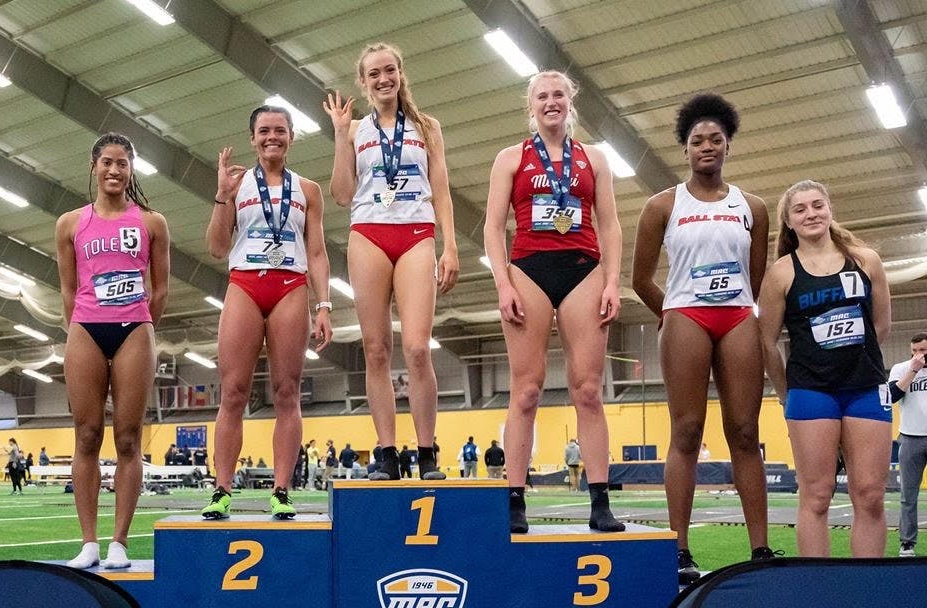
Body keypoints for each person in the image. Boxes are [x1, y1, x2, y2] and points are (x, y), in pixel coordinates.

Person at [632, 93, 772, 581]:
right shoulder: (661, 206)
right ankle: (679, 550)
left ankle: (760, 552)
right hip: (686, 316)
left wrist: (745, 316)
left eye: (716, 139)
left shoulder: (752, 206)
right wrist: (671, 314)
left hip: (736, 316)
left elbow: (757, 281)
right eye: (697, 140)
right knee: (686, 431)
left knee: (746, 432)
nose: (706, 146)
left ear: (728, 145)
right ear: (685, 149)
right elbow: (641, 278)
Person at [483, 70, 624, 535]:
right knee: (526, 391)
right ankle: (514, 500)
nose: (551, 102)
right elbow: (492, 228)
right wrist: (503, 283)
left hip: (584, 268)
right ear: (531, 105)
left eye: (558, 94)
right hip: (529, 269)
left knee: (588, 390)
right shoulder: (510, 158)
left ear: (570, 101)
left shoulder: (595, 158)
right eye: (542, 96)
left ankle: (600, 501)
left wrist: (611, 281)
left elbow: (610, 224)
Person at [324, 42, 457, 481]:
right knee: (376, 350)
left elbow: (440, 188)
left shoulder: (427, 126)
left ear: (401, 74)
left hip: (417, 232)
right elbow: (342, 195)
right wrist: (341, 135)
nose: (383, 79)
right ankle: (386, 453)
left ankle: (426, 450)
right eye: (373, 74)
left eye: (389, 71)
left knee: (418, 348)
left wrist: (450, 246)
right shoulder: (357, 129)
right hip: (369, 234)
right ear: (363, 84)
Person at [201, 105, 332, 521]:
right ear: (252, 138)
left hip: (289, 285)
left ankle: (281, 490)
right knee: (234, 391)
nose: (271, 136)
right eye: (263, 131)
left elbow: (316, 251)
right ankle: (222, 490)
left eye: (279, 130)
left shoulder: (308, 189)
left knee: (287, 391)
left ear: (291, 136)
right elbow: (218, 247)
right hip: (245, 283)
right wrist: (222, 193)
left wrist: (325, 304)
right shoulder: (238, 186)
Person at [56, 132, 170, 569]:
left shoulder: (151, 223)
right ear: (93, 166)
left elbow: (160, 290)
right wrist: (83, 323)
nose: (114, 170)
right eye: (106, 162)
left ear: (131, 169)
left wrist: (140, 324)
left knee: (128, 438)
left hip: (134, 329)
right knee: (86, 434)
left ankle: (119, 540)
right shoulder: (70, 223)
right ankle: (88, 542)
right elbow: (68, 287)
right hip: (86, 327)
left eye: (122, 163)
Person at [759, 179, 891, 558]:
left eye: (817, 205)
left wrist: (853, 360)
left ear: (829, 209)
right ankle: (817, 589)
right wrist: (788, 394)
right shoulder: (781, 273)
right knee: (816, 496)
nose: (811, 213)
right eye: (800, 209)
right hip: (810, 393)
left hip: (865, 389)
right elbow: (767, 342)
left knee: (870, 495)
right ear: (789, 221)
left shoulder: (866, 260)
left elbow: (880, 327)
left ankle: (866, 590)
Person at [893, 333, 927, 556]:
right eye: (915, 351)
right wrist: (913, 370)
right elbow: (893, 395)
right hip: (910, 437)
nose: (919, 355)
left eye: (923, 350)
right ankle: (907, 543)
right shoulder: (901, 368)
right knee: (908, 495)